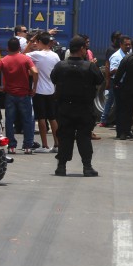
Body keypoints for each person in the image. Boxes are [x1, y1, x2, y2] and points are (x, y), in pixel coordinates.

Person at [51, 37, 104, 177]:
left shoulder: (60, 66)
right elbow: (100, 80)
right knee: (84, 137)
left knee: (64, 136)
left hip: (65, 108)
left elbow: (53, 78)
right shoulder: (89, 66)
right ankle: (87, 167)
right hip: (84, 108)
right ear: (81, 49)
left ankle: (61, 166)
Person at [0, 36, 39, 153]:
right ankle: (28, 146)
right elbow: (35, 72)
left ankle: (11, 146)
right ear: (19, 48)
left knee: (9, 121)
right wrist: (34, 87)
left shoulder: (4, 60)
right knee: (27, 120)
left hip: (10, 94)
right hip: (24, 94)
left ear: (8, 48)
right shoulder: (25, 59)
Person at [28, 32, 61, 152]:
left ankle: (45, 145)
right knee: (52, 118)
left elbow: (21, 55)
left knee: (41, 118)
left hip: (39, 90)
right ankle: (57, 144)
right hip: (51, 90)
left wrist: (30, 42)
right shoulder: (55, 56)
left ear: (41, 42)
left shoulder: (37, 54)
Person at [99, 31, 124, 127]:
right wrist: (108, 80)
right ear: (114, 39)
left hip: (121, 79)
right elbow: (107, 65)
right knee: (110, 100)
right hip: (114, 78)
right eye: (119, 38)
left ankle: (116, 120)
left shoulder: (121, 49)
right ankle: (104, 119)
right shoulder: (111, 50)